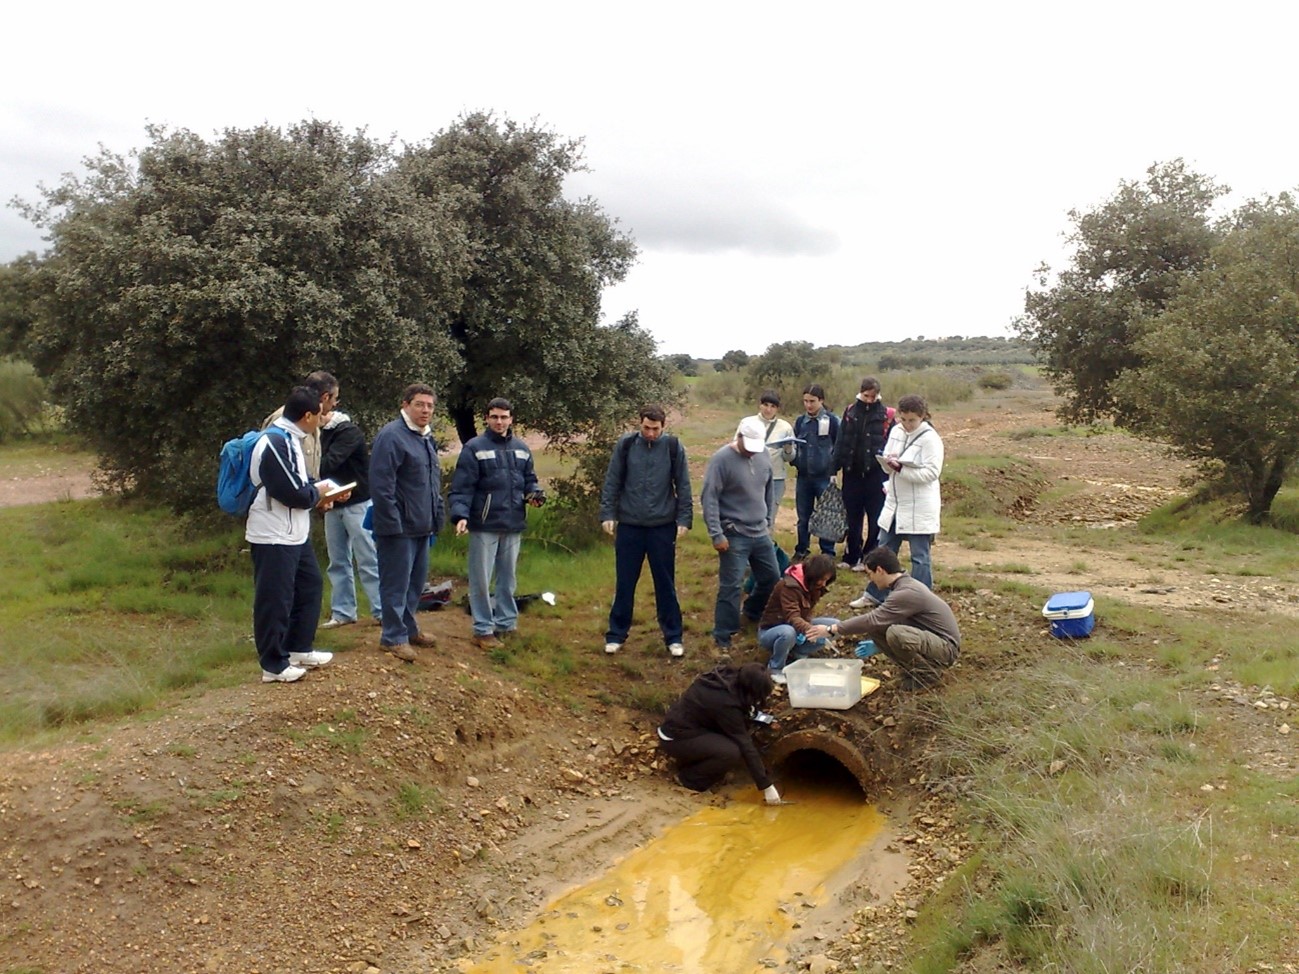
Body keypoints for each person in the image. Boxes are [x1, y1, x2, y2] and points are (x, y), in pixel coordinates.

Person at [246, 386, 337, 683]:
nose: (323, 420)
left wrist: (320, 489)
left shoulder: (291, 439)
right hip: (272, 534)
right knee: (275, 599)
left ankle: (299, 647)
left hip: (295, 532)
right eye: (320, 415)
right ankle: (273, 665)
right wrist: (318, 494)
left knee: (310, 585)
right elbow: (291, 493)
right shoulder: (274, 442)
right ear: (307, 416)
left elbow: (301, 482)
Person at [449, 397, 544, 650]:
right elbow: (462, 487)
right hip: (484, 524)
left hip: (513, 523)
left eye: (503, 417)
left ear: (511, 419)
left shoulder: (522, 449)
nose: (499, 422)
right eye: (494, 417)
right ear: (487, 419)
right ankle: (482, 629)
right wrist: (460, 516)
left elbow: (529, 479)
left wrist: (534, 494)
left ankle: (506, 624)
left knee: (507, 579)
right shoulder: (474, 448)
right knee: (480, 580)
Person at [599, 405, 693, 657]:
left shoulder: (673, 447)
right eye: (646, 428)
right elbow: (613, 481)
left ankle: (673, 637)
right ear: (639, 424)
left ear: (663, 427)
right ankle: (616, 634)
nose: (650, 433)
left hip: (662, 527)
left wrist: (684, 519)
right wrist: (607, 514)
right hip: (629, 525)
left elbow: (683, 484)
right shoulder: (627, 445)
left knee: (665, 584)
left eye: (655, 429)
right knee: (625, 583)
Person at [369, 384, 445, 662]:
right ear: (405, 405)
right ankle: (393, 637)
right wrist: (392, 524)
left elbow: (432, 483)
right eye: (419, 404)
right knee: (395, 585)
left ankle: (409, 628)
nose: (425, 410)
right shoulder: (392, 436)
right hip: (398, 528)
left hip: (422, 525)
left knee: (415, 583)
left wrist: (437, 516)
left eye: (430, 406)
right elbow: (382, 485)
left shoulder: (426, 437)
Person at [851, 393, 944, 607]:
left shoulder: (931, 439)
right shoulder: (896, 431)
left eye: (912, 420)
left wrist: (901, 469)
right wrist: (888, 463)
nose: (907, 424)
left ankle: (920, 600)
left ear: (922, 416)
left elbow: (932, 473)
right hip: (894, 502)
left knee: (919, 556)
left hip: (919, 505)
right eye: (904, 419)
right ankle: (875, 595)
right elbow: (889, 459)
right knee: (884, 551)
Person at [701, 417, 781, 650]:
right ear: (739, 437)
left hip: (760, 531)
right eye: (749, 446)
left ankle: (752, 612)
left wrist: (768, 521)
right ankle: (723, 635)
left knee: (771, 577)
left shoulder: (763, 454)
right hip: (733, 533)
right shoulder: (721, 460)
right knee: (731, 585)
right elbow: (709, 497)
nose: (752, 452)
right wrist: (716, 534)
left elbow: (768, 488)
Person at [831, 546, 960, 690]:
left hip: (946, 648)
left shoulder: (906, 592)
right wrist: (879, 644)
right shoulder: (902, 586)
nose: (870, 579)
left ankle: (927, 675)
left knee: (895, 634)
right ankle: (913, 671)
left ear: (880, 570)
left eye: (870, 574)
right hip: (931, 639)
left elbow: (872, 619)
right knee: (877, 627)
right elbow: (882, 621)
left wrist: (833, 628)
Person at [657, 662, 784, 802]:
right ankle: (689, 780)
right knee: (730, 752)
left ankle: (699, 765)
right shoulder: (725, 703)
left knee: (732, 741)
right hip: (675, 737)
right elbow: (745, 743)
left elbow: (743, 712)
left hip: (691, 727)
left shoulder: (728, 678)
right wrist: (766, 785)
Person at [319, 407, 382, 629]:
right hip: (333, 504)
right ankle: (343, 612)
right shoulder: (317, 434)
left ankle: (382, 610)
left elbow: (329, 463)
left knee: (368, 558)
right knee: (337, 561)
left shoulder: (348, 432)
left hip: (358, 504)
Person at [833, 377, 891, 572]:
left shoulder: (886, 415)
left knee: (876, 518)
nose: (869, 400)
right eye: (866, 396)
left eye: (873, 396)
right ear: (860, 393)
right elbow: (841, 441)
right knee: (852, 517)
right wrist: (834, 468)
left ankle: (869, 558)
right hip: (852, 473)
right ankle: (851, 555)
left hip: (876, 475)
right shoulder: (850, 412)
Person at [757, 554, 840, 684]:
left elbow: (807, 613)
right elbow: (792, 616)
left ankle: (798, 653)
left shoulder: (815, 586)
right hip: (773, 630)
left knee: (836, 626)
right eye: (822, 579)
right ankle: (775, 668)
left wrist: (808, 628)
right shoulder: (788, 586)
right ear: (814, 574)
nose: (824, 584)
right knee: (788, 632)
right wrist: (811, 630)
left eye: (827, 580)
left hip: (796, 627)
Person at [791, 383, 839, 561]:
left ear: (821, 400)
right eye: (805, 401)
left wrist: (834, 469)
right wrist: (796, 461)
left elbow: (838, 446)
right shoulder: (800, 422)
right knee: (803, 516)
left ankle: (827, 552)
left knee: (826, 514)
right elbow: (794, 445)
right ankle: (802, 549)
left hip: (824, 477)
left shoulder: (832, 421)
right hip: (804, 476)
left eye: (812, 401)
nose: (808, 405)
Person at [261, 370, 339, 479]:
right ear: (325, 397)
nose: (335, 404)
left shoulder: (314, 421)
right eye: (335, 398)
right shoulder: (282, 419)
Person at [741, 390, 796, 520]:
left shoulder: (785, 427)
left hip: (775, 478)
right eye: (765, 405)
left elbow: (789, 458)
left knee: (769, 518)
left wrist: (788, 449)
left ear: (777, 408)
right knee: (749, 516)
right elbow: (736, 448)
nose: (768, 409)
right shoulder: (747, 423)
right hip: (751, 476)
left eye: (773, 406)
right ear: (760, 405)